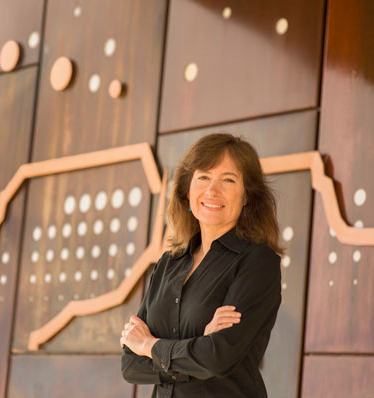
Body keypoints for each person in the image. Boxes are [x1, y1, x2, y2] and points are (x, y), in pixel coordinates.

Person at [120, 133, 283, 397]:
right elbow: (130, 365)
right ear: (186, 190)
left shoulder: (257, 262)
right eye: (203, 177)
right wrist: (197, 349)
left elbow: (217, 358)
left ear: (247, 197)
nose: (212, 191)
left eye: (228, 180)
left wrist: (149, 345)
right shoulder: (167, 264)